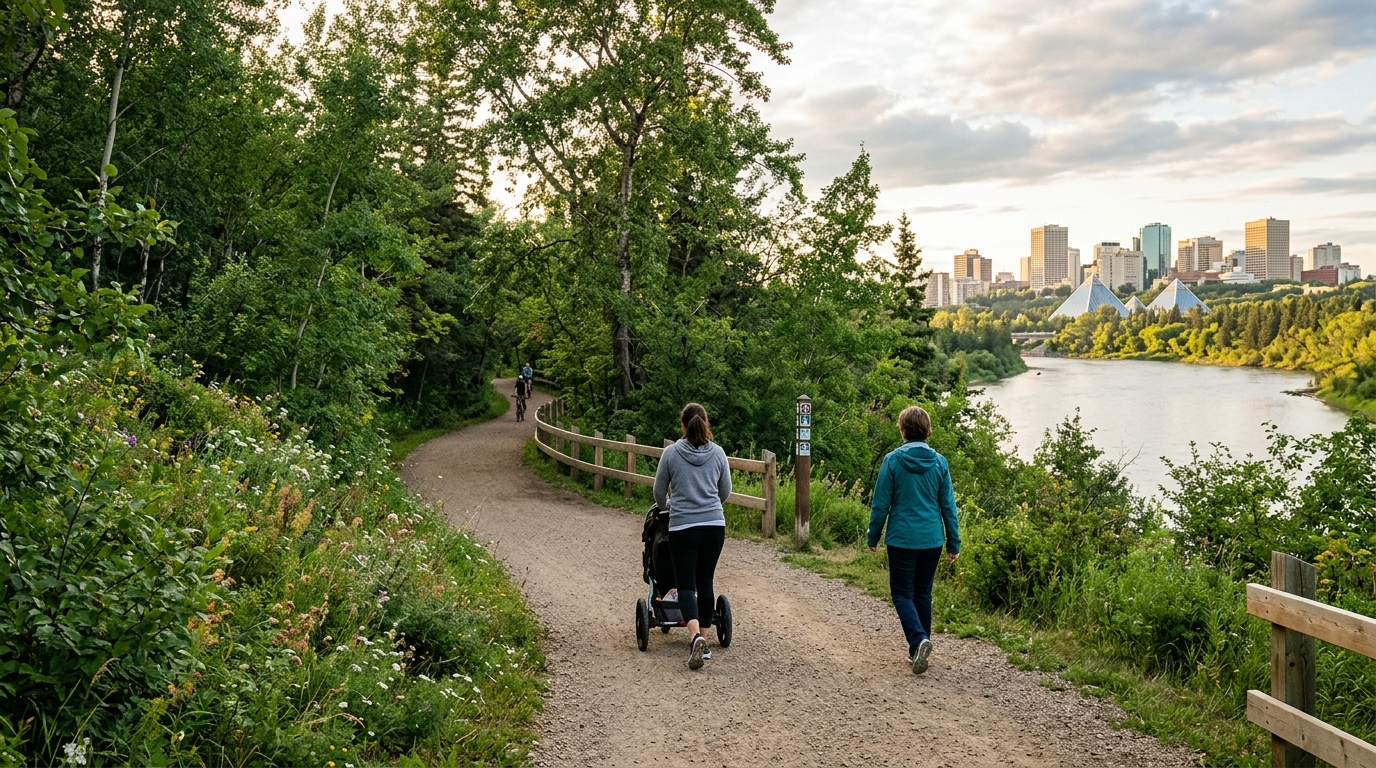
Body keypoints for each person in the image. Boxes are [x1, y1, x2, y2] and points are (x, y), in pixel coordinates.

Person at [867, 405, 960, 675]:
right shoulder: (940, 462)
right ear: (927, 430)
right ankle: (918, 649)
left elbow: (880, 504)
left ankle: (919, 640)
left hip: (902, 538)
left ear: (903, 429)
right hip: (932, 539)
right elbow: (948, 507)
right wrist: (954, 542)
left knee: (901, 593)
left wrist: (873, 536)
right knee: (922, 593)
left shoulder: (893, 461)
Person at [653, 403, 731, 670]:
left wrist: (669, 507)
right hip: (714, 526)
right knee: (705, 581)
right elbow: (725, 492)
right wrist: (708, 505)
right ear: (706, 423)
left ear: (682, 425)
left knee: (686, 585)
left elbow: (658, 492)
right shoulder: (718, 453)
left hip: (683, 526)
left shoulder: (671, 453)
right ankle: (705, 642)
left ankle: (695, 635)